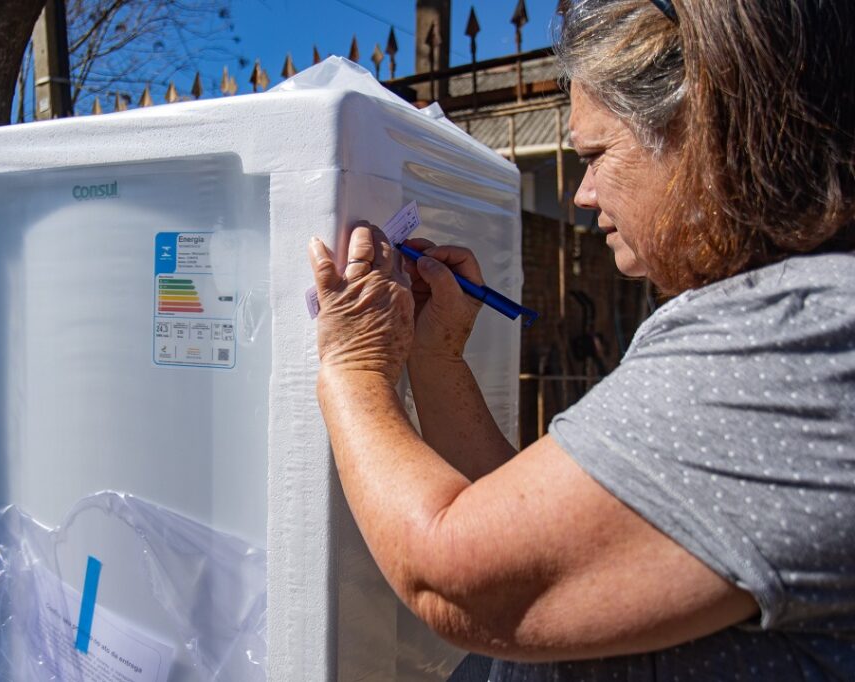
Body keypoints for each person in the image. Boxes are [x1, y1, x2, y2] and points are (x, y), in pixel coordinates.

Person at [306, 0, 855, 679]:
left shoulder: (791, 339)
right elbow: (536, 541)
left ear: (708, 133)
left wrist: (351, 367)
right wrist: (432, 353)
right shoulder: (783, 320)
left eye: (595, 155)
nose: (583, 193)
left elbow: (461, 580)